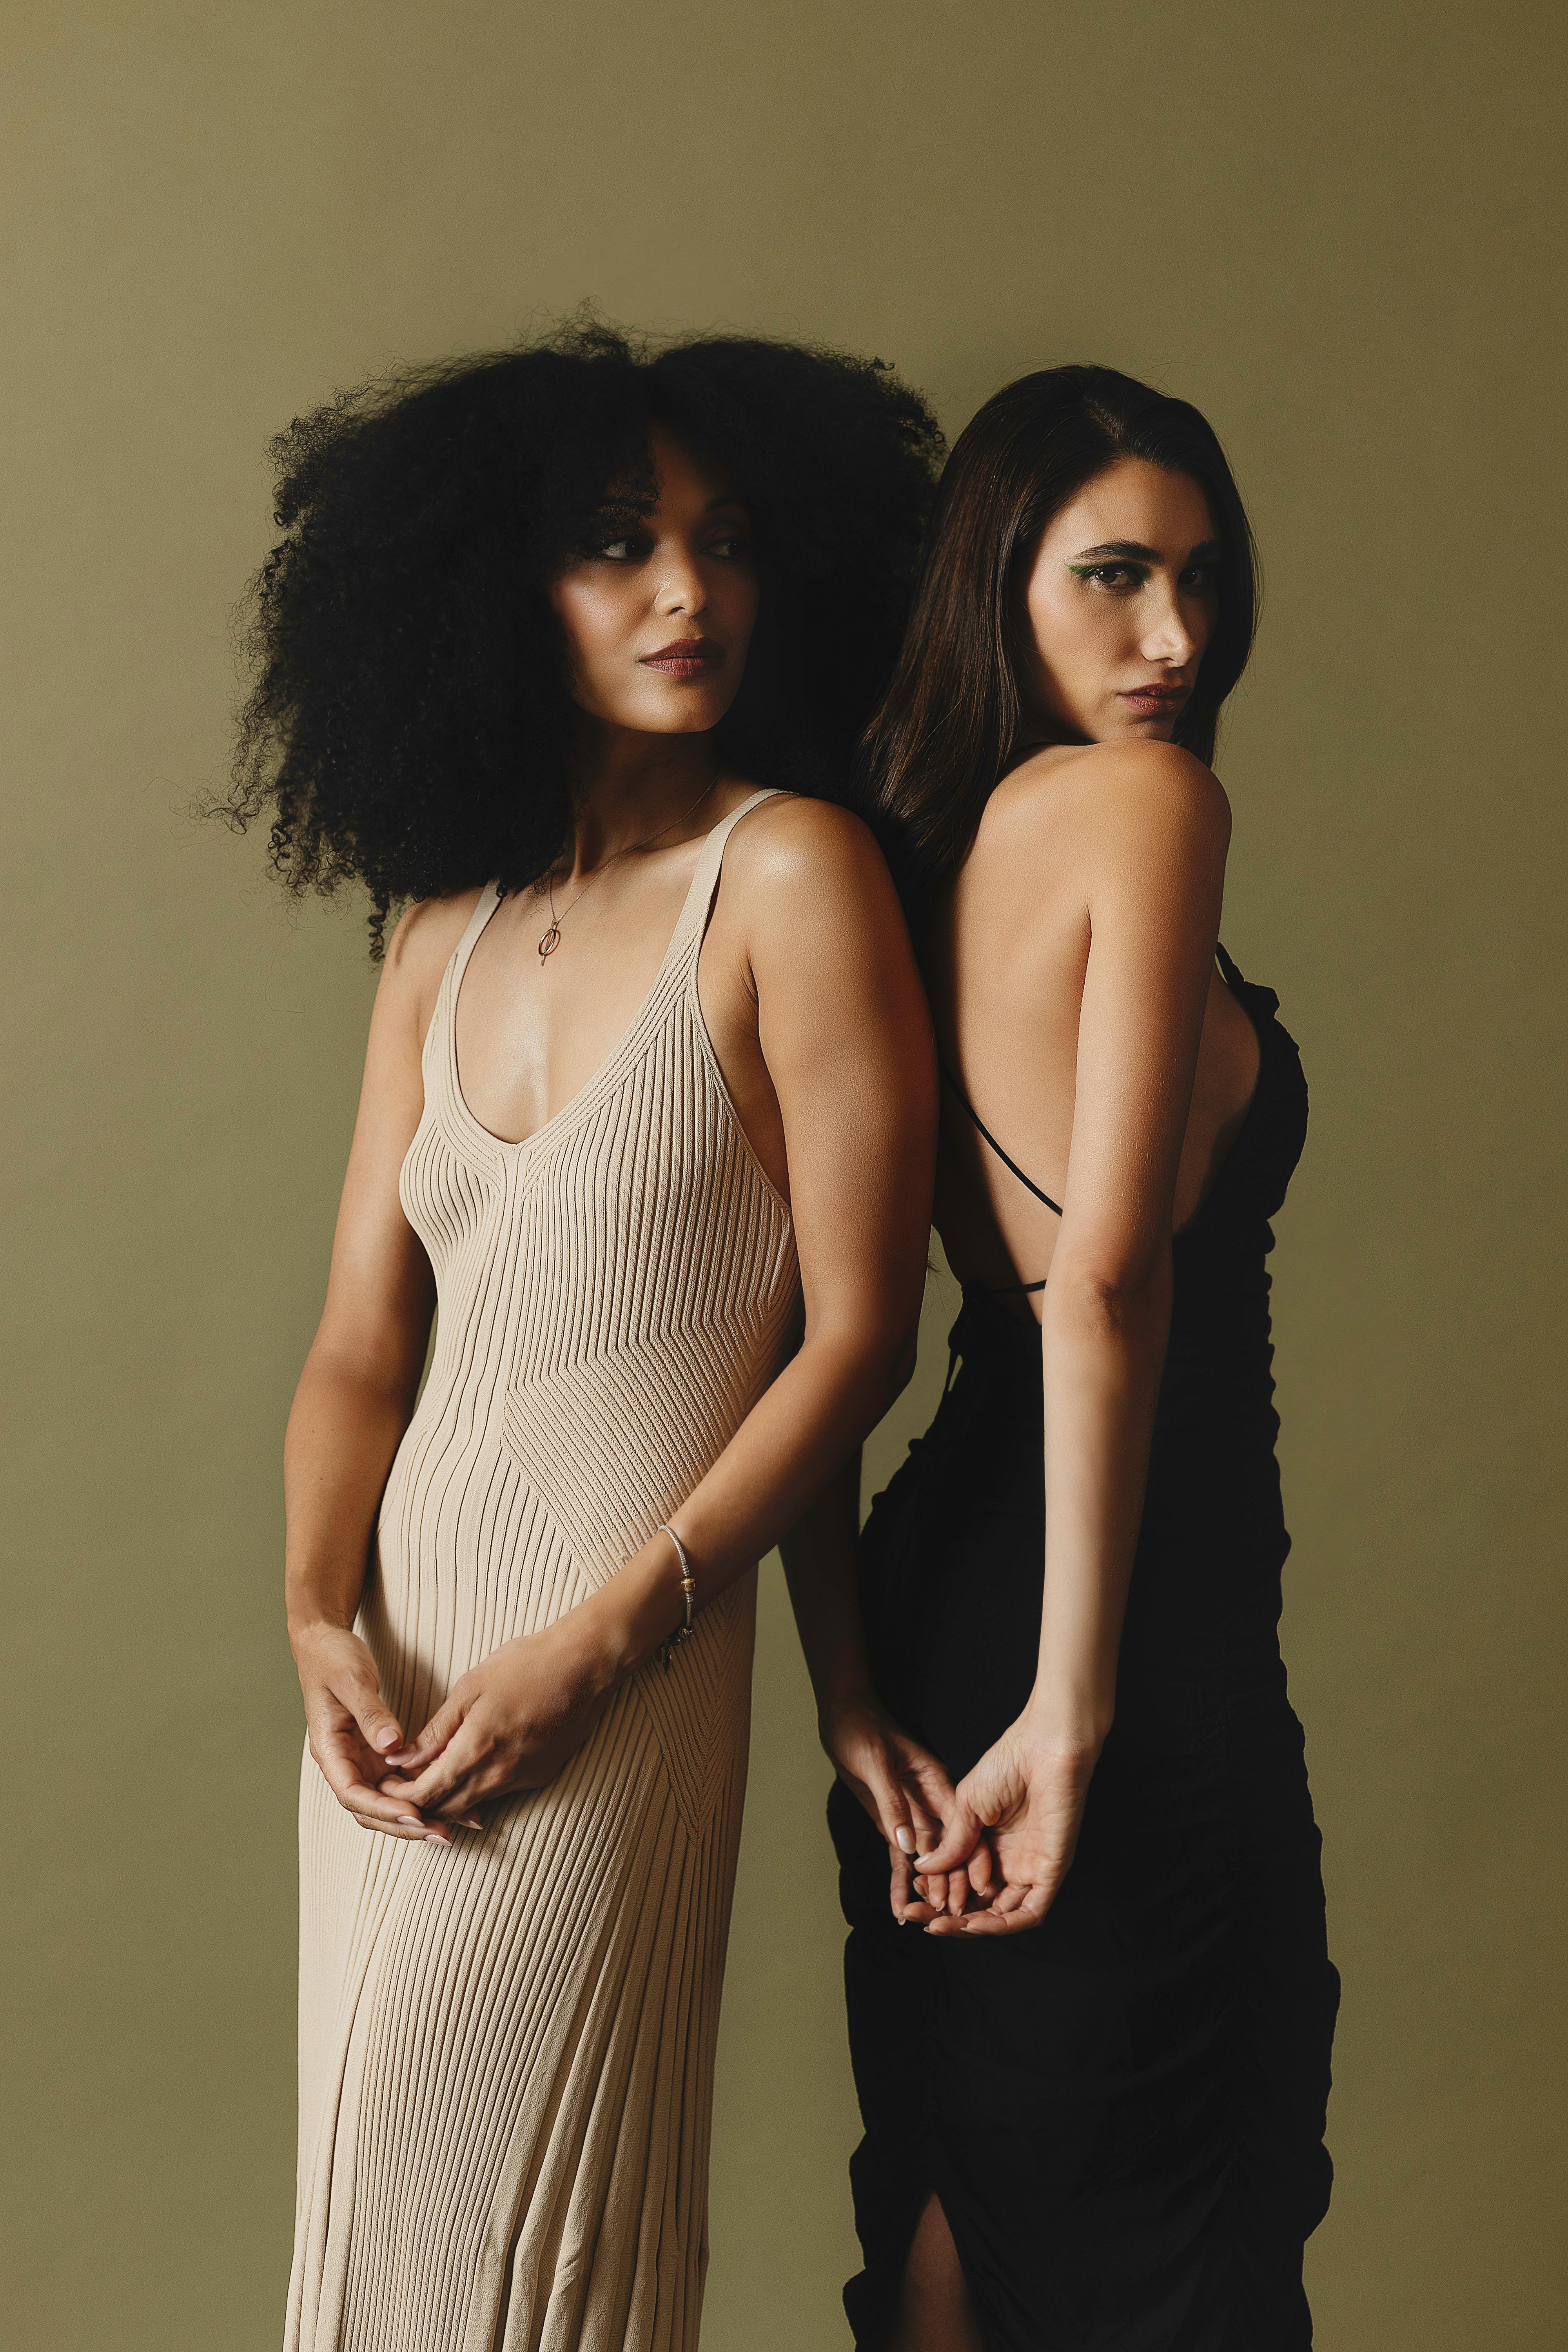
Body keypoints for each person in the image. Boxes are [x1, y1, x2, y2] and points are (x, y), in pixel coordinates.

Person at [219, 321, 942, 2351]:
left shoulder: (788, 874)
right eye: (618, 543)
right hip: (400, 1680)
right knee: (373, 2234)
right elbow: (361, 1345)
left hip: (617, 1659)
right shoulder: (436, 931)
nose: (688, 592)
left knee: (532, 2261)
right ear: (494, 590)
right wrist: (317, 1620)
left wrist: (609, 1641)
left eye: (724, 542)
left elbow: (857, 1336)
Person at [790, 366, 1340, 2350]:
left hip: (959, 1581)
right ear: (994, 583)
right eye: (1113, 576)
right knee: (1162, 2215)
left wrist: (854, 1690)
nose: (1175, 638)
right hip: (1117, 1607)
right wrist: (1077, 1704)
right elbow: (1102, 1283)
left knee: (978, 2171)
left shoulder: (895, 859)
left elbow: (823, 1333)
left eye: (1203, 580)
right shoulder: (1141, 804)